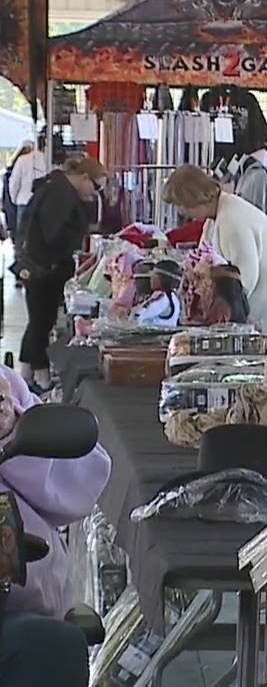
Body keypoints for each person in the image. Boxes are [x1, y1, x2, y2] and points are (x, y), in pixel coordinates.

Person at [0, 364, 111, 686]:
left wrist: (9, 431)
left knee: (51, 644)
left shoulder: (7, 388)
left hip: (17, 607)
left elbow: (81, 483)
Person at [163, 165, 267, 332]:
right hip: (263, 306)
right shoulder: (214, 219)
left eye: (182, 205)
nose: (183, 212)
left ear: (193, 198)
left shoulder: (233, 220)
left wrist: (218, 311)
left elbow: (244, 279)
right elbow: (203, 261)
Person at [18, 157, 102, 391]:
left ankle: (26, 374)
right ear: (85, 177)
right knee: (41, 321)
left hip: (37, 266)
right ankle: (39, 374)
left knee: (39, 319)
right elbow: (53, 235)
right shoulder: (61, 196)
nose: (95, 193)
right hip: (45, 267)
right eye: (96, 186)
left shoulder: (54, 188)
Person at [7, 134, 47, 253]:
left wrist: (14, 199)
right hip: (42, 203)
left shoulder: (22, 160)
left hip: (23, 202)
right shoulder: (46, 160)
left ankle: (21, 263)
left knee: (22, 236)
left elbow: (14, 183)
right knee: (39, 235)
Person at [1, 141, 33, 242]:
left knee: (20, 236)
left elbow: (12, 188)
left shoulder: (11, 170)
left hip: (19, 203)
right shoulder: (36, 165)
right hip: (28, 203)